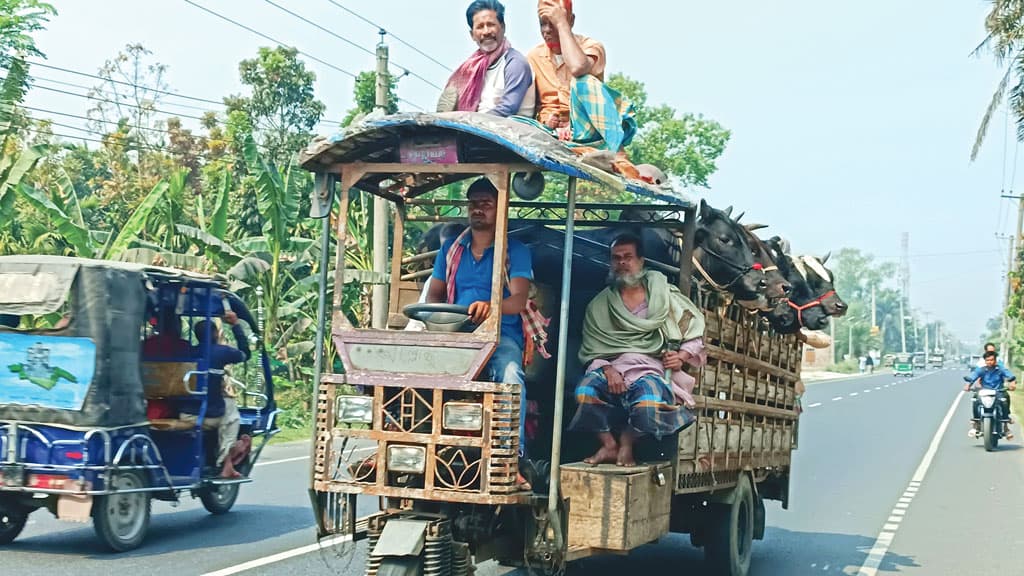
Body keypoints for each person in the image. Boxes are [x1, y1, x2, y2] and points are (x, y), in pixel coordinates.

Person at [426, 178, 546, 488]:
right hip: (458, 335)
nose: (478, 208)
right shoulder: (452, 251)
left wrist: (491, 307)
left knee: (510, 376)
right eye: (473, 203)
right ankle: (411, 446)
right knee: (413, 374)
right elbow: (434, 296)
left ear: (501, 209)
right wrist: (440, 319)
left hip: (499, 336)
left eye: (486, 203)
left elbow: (518, 299)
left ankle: (512, 458)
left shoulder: (515, 251)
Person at [570, 234, 705, 467]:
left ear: (641, 261)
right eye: (616, 258)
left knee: (649, 403)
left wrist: (680, 357)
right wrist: (608, 369)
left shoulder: (665, 295)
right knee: (584, 391)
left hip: (651, 369)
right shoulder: (599, 304)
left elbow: (694, 333)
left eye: (628, 257)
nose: (622, 263)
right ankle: (609, 445)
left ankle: (627, 442)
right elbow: (592, 349)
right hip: (611, 368)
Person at [525, 0, 636, 151]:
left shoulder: (591, 47)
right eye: (543, 23)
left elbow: (578, 68)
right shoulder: (533, 57)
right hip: (550, 133)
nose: (547, 30)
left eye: (553, 23)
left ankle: (617, 152)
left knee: (583, 81)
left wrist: (562, 25)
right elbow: (534, 107)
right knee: (513, 120)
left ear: (571, 21)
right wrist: (546, 120)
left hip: (587, 129)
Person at [179, 312, 251, 478]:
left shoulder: (188, 352)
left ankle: (224, 464)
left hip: (184, 413)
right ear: (216, 334)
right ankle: (225, 463)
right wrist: (235, 325)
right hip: (205, 415)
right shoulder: (221, 352)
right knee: (232, 417)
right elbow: (246, 354)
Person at [437, 0, 535, 117]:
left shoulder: (515, 63)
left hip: (510, 128)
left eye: (491, 25)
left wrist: (469, 121)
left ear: (503, 27)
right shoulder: (472, 68)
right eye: (480, 27)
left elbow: (508, 108)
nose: (486, 32)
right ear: (472, 35)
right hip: (480, 125)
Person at [964, 351, 1017, 439]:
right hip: (984, 392)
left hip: (998, 392)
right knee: (975, 399)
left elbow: (1010, 376)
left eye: (992, 360)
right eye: (987, 360)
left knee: (1005, 398)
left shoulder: (1000, 369)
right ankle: (976, 423)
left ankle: (1006, 424)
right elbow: (973, 377)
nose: (990, 362)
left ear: (995, 360)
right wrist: (968, 385)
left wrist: (1012, 383)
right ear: (985, 361)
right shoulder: (981, 370)